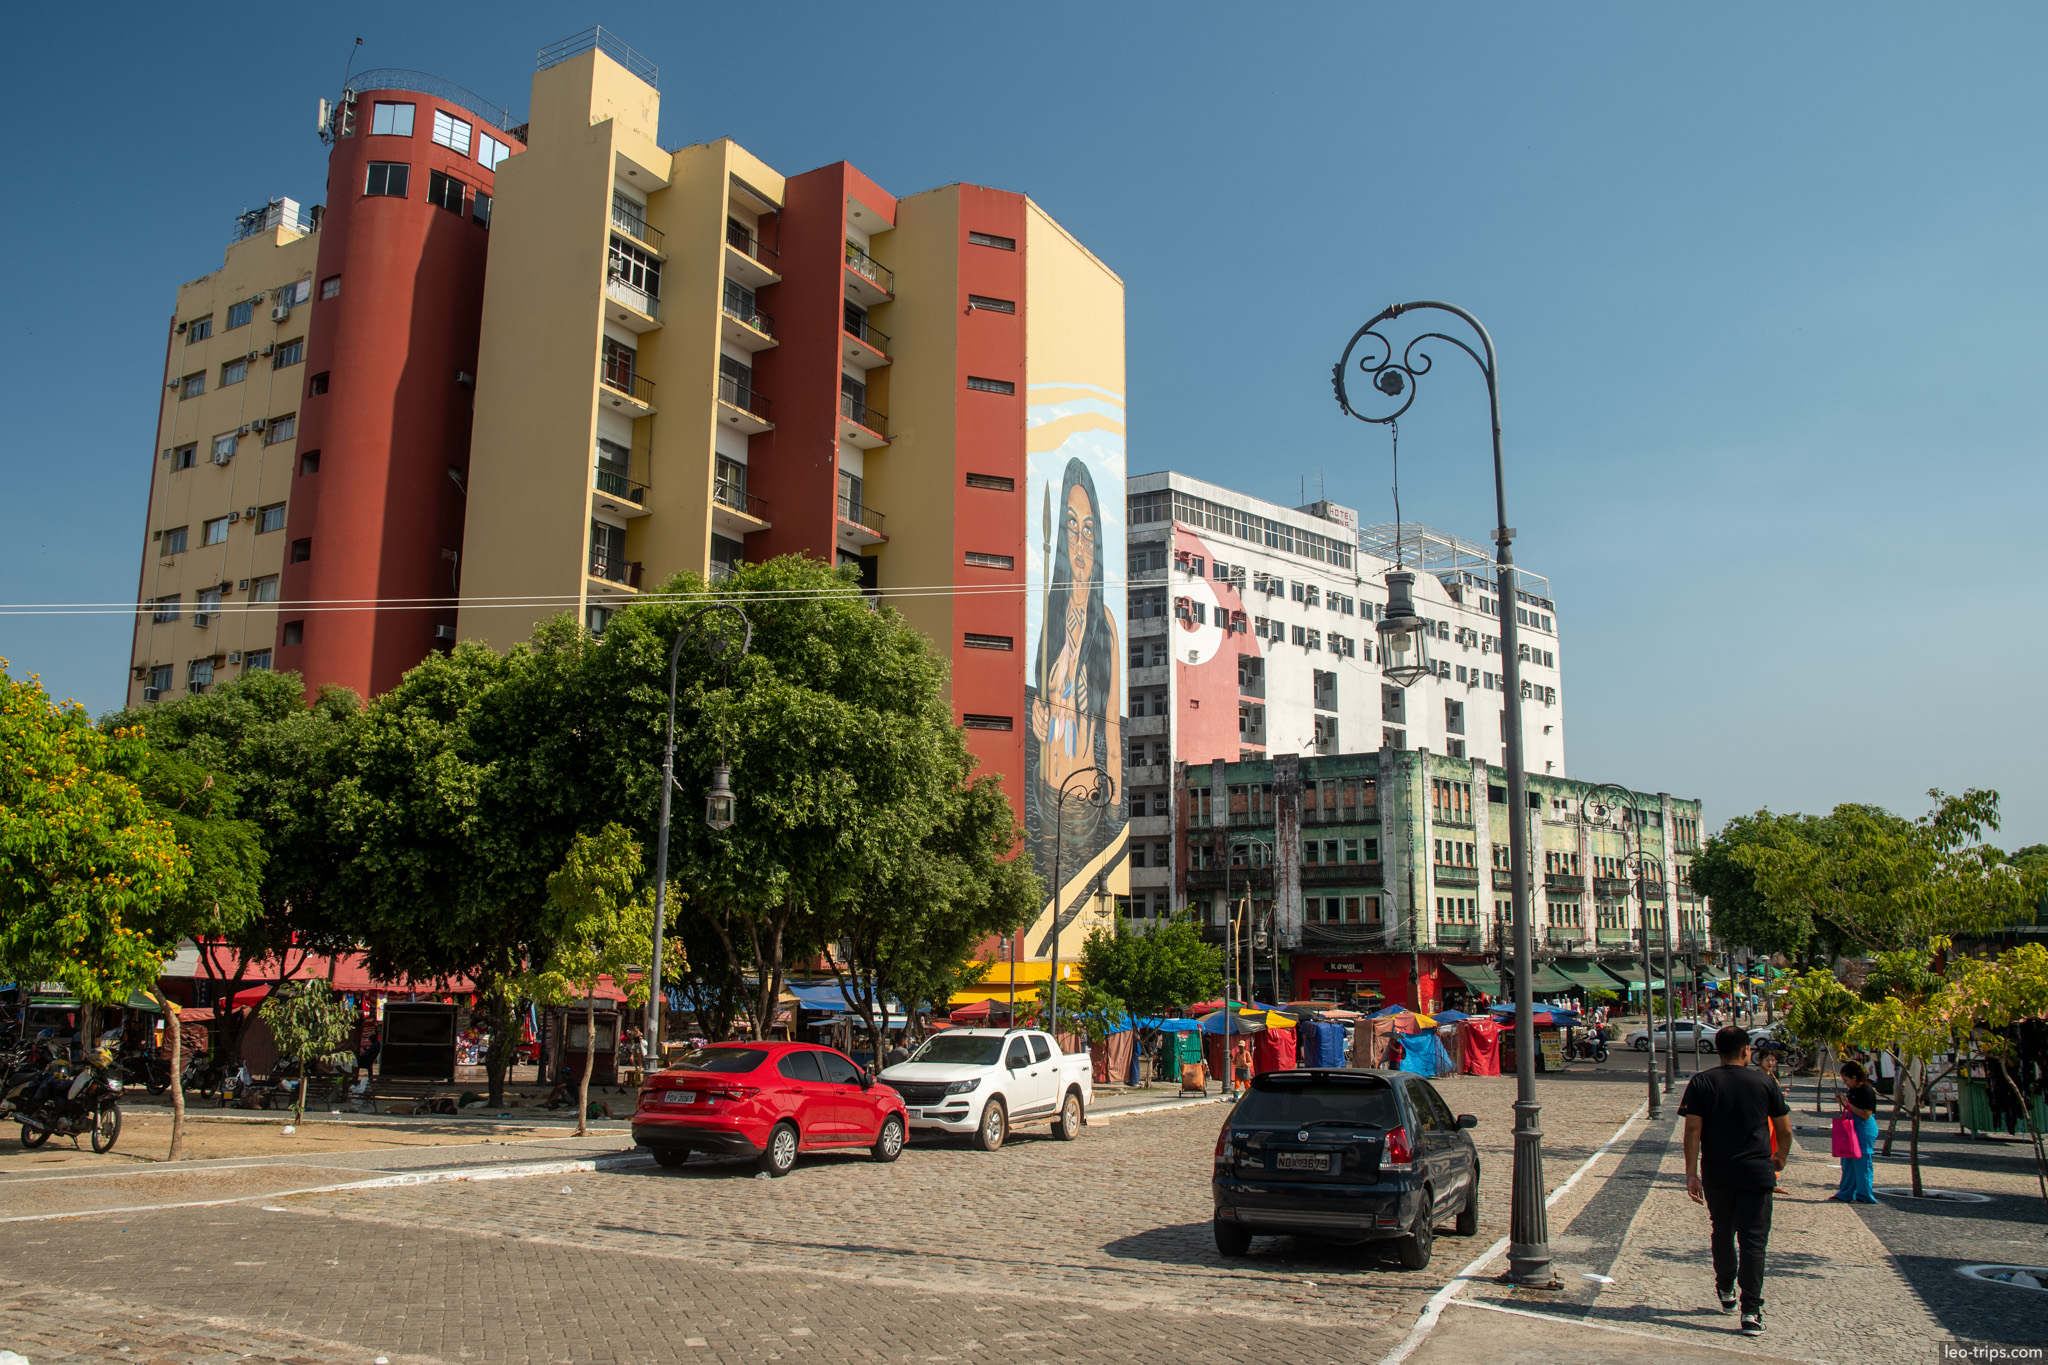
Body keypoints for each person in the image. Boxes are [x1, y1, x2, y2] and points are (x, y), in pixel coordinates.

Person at [1681, 1024, 1793, 1338]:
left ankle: (1726, 1287)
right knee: (1754, 1242)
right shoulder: (1765, 1082)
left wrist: (1692, 1173)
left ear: (1718, 1051)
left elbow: (1692, 1131)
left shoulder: (1702, 1082)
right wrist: (1780, 1157)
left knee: (1722, 1230)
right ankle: (1752, 1311)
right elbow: (1785, 1130)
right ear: (1746, 1051)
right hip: (1757, 1172)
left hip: (1717, 1172)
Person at [1832, 1060, 1880, 1204]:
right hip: (1852, 1126)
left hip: (1864, 1127)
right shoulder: (1852, 1090)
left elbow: (1866, 1114)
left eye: (1846, 1080)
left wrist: (1848, 1105)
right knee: (1847, 1159)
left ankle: (1864, 1195)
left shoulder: (1867, 1091)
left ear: (1855, 1077)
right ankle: (1845, 1192)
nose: (1845, 1083)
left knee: (1862, 1162)